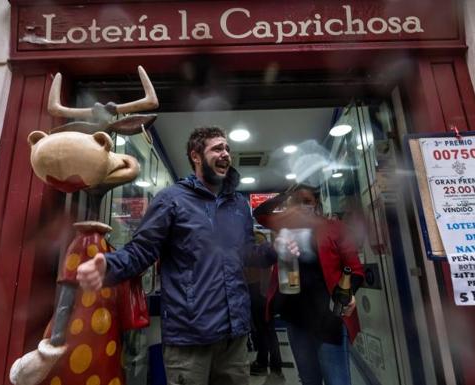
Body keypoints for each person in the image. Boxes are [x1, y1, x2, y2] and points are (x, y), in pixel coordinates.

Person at [76, 126, 297, 385]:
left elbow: (247, 254)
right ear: (196, 155)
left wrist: (274, 250)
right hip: (189, 339)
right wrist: (109, 266)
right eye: (217, 148)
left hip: (234, 338)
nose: (226, 153)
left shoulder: (238, 205)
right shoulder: (172, 199)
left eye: (227, 148)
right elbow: (142, 250)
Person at [253, 185, 364, 385]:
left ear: (316, 204)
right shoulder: (284, 227)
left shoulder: (334, 227)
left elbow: (355, 270)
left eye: (307, 202)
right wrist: (285, 195)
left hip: (329, 318)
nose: (302, 207)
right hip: (296, 319)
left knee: (337, 380)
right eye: (296, 202)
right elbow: (260, 213)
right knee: (309, 379)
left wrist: (348, 294)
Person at [246, 231, 283, 379]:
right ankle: (270, 364)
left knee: (265, 330)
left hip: (258, 290)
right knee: (264, 330)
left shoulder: (257, 238)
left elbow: (263, 266)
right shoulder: (258, 237)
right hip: (259, 289)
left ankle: (271, 366)